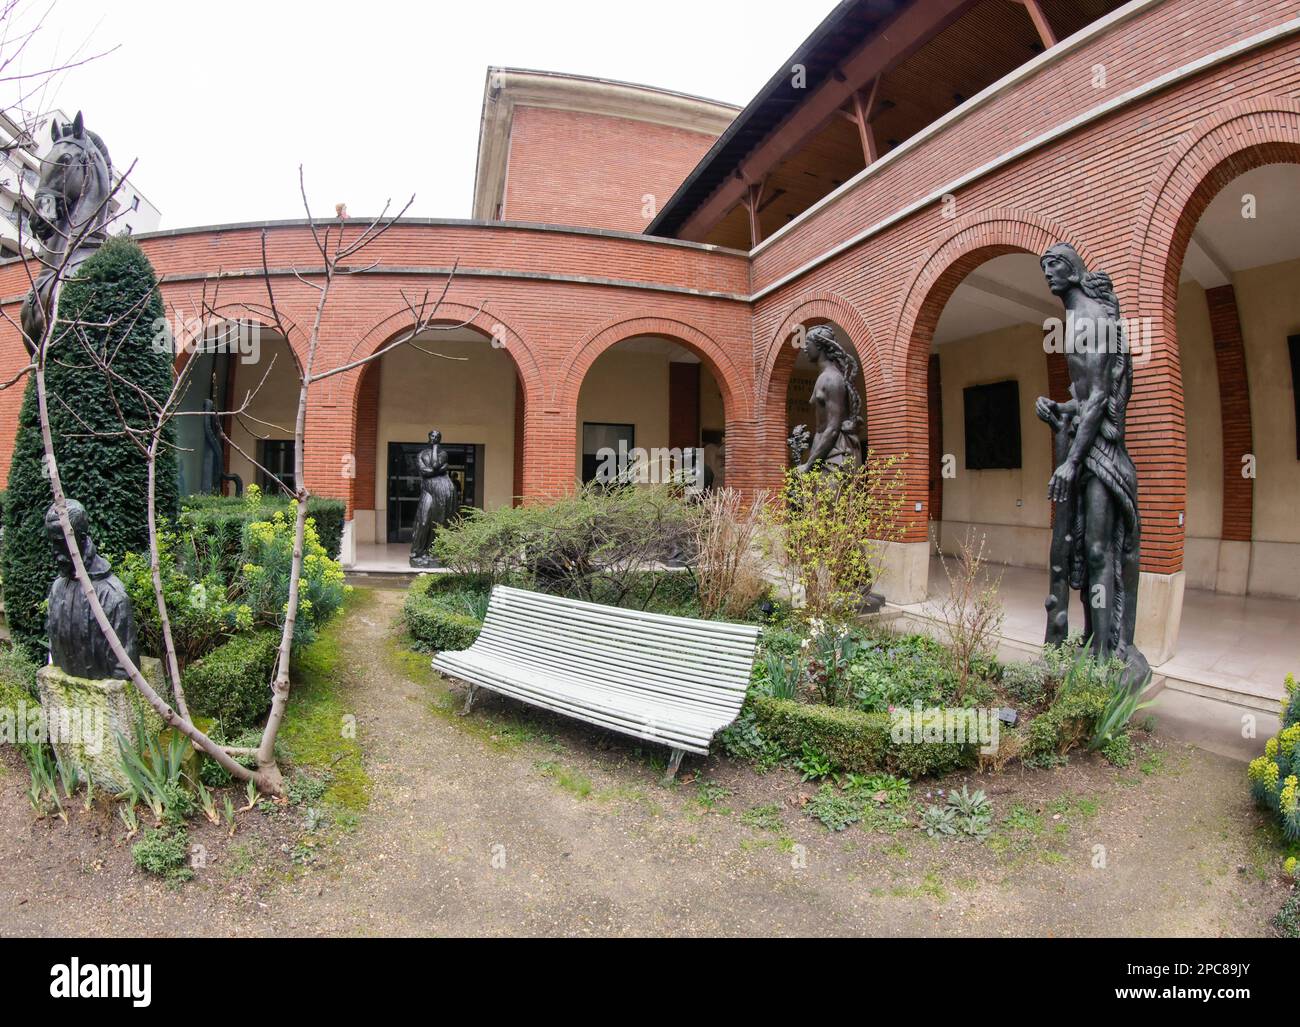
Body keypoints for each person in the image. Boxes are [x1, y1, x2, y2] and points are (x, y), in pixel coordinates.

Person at [45, 499, 138, 680]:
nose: (54, 552)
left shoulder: (112, 596)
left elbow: (125, 668)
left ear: (80, 539)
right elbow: (55, 651)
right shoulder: (57, 589)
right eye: (52, 543)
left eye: (59, 543)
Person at [789, 324, 863, 473]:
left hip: (835, 454)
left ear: (820, 346)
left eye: (807, 344)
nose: (804, 349)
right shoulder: (824, 377)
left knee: (833, 497)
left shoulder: (832, 379)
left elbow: (833, 428)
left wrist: (809, 465)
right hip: (825, 453)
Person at [409, 429, 459, 567]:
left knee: (439, 522)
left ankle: (433, 552)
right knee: (423, 520)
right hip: (428, 490)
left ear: (439, 439)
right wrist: (436, 470)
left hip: (443, 490)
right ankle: (417, 553)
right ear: (428, 437)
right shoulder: (421, 454)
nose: (434, 438)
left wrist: (436, 449)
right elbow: (425, 471)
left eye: (437, 437)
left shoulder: (443, 454)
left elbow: (435, 465)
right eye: (432, 435)